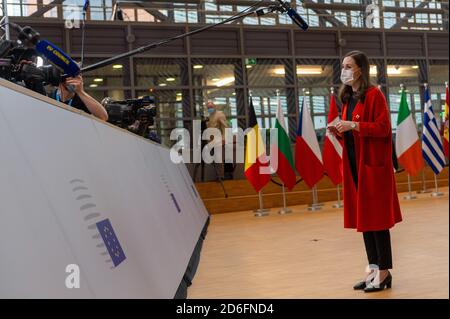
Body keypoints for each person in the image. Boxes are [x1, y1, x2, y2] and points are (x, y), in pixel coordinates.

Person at [327, 50, 402, 293]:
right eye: (343, 65)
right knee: (365, 221)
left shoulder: (374, 95)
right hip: (354, 165)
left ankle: (384, 272)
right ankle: (372, 268)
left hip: (372, 168)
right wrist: (338, 128)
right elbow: (351, 131)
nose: (345, 70)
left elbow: (382, 128)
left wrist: (354, 125)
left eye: (349, 65)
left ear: (361, 68)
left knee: (378, 222)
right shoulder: (348, 97)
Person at [206, 101, 235, 180]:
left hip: (219, 140)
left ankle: (221, 176)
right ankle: (219, 175)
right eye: (208, 108)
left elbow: (225, 127)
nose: (210, 109)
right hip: (212, 141)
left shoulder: (220, 115)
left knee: (219, 160)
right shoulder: (210, 116)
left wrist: (224, 139)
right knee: (216, 160)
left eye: (211, 107)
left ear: (215, 107)